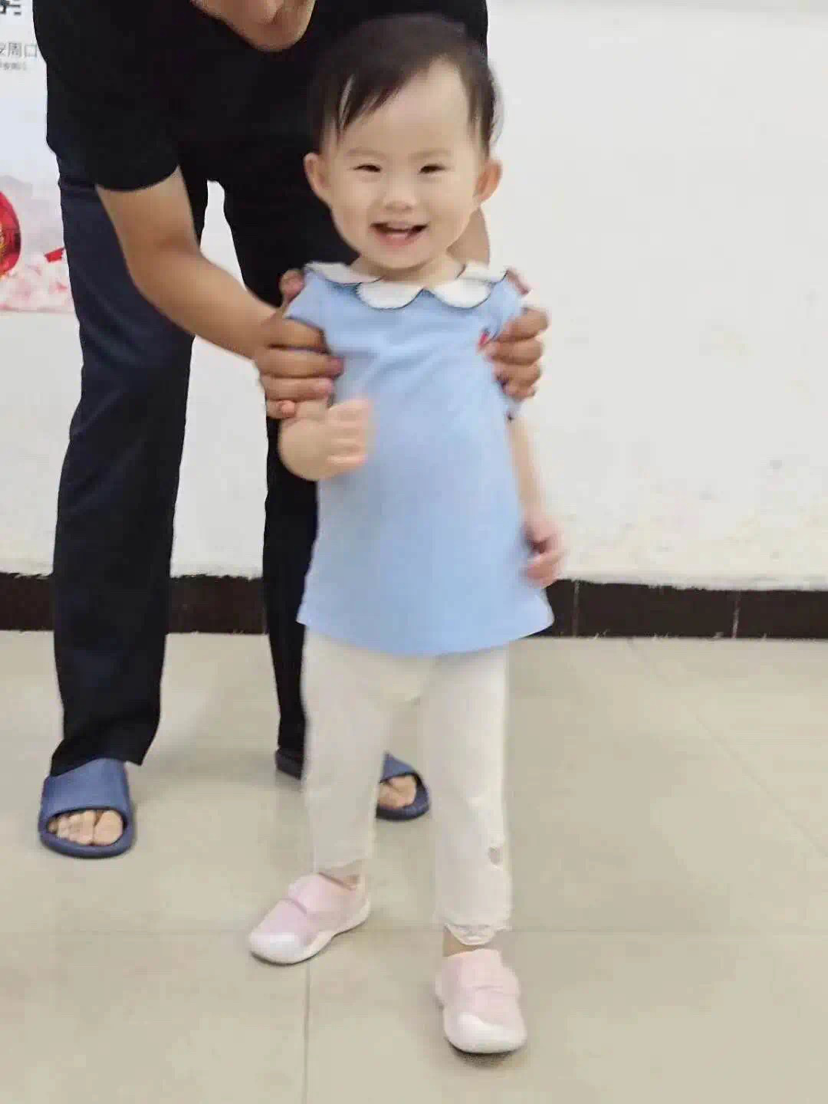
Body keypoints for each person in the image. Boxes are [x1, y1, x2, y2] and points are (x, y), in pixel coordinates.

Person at [33, 0, 549, 858]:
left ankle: (323, 723)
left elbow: (443, 175)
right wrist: (272, 341)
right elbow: (159, 250)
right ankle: (97, 736)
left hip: (326, 132)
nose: (265, 11)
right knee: (133, 385)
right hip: (138, 131)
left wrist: (466, 331)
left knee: (345, 391)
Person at [247, 15, 563, 1055]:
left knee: (471, 781)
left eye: (432, 167)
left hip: (472, 597)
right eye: (370, 165)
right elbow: (292, 441)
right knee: (339, 759)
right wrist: (314, 446)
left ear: (483, 181)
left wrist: (537, 509)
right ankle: (337, 880)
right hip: (352, 599)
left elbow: (505, 422)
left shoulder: (494, 305)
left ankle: (474, 947)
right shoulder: (319, 306)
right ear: (322, 177)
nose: (400, 195)